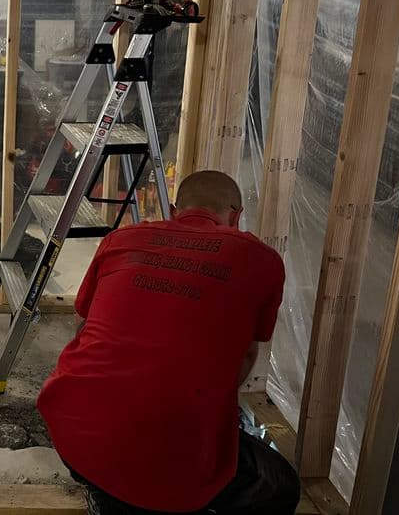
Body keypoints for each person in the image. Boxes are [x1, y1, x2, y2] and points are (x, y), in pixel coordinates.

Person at [37, 170, 299, 514]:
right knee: (279, 486)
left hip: (74, 436)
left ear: (175, 210)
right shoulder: (262, 259)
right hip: (170, 462)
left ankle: (106, 495)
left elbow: (82, 327)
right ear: (235, 216)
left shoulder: (121, 239)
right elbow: (247, 357)